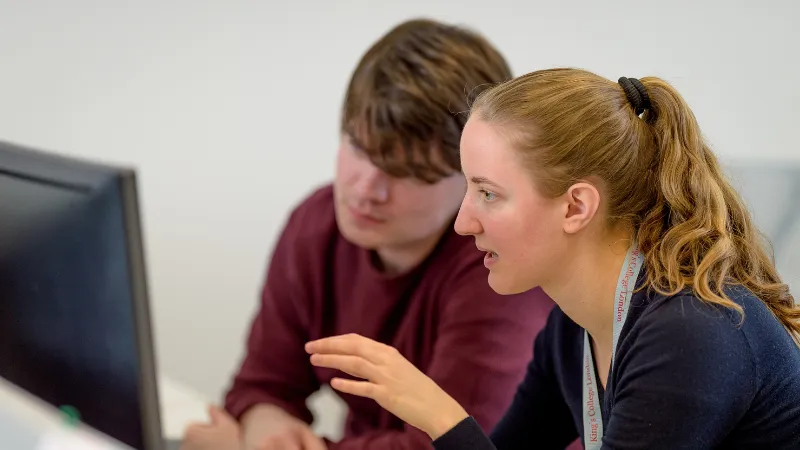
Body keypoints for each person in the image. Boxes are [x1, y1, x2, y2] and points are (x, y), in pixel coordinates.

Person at [305, 68, 800, 449]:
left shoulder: (691, 332)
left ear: (576, 206)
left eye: (489, 194)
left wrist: (440, 417)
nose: (463, 223)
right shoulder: (571, 329)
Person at [180, 19, 556, 450]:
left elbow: (455, 444)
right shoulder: (317, 224)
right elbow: (263, 384)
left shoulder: (500, 268)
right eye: (358, 147)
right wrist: (264, 428)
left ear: (472, 176)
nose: (365, 189)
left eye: (404, 172)